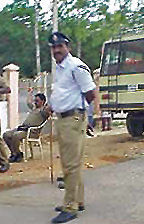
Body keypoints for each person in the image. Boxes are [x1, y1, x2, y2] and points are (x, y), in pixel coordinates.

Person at [47, 32, 96, 223]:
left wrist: (84, 116)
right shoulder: (60, 68)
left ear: (67, 47)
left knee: (70, 165)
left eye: (60, 46)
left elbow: (90, 93)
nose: (57, 50)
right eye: (54, 47)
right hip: (64, 119)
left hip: (73, 119)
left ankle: (70, 206)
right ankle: (78, 200)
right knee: (72, 162)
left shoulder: (76, 66)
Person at [3, 91, 49, 163]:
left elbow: (49, 111)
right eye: (35, 101)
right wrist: (30, 93)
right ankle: (15, 153)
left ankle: (17, 155)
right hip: (23, 128)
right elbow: (28, 102)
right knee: (6, 135)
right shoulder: (34, 108)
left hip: (31, 132)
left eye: (37, 101)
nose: (35, 102)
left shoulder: (43, 111)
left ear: (42, 101)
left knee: (16, 136)